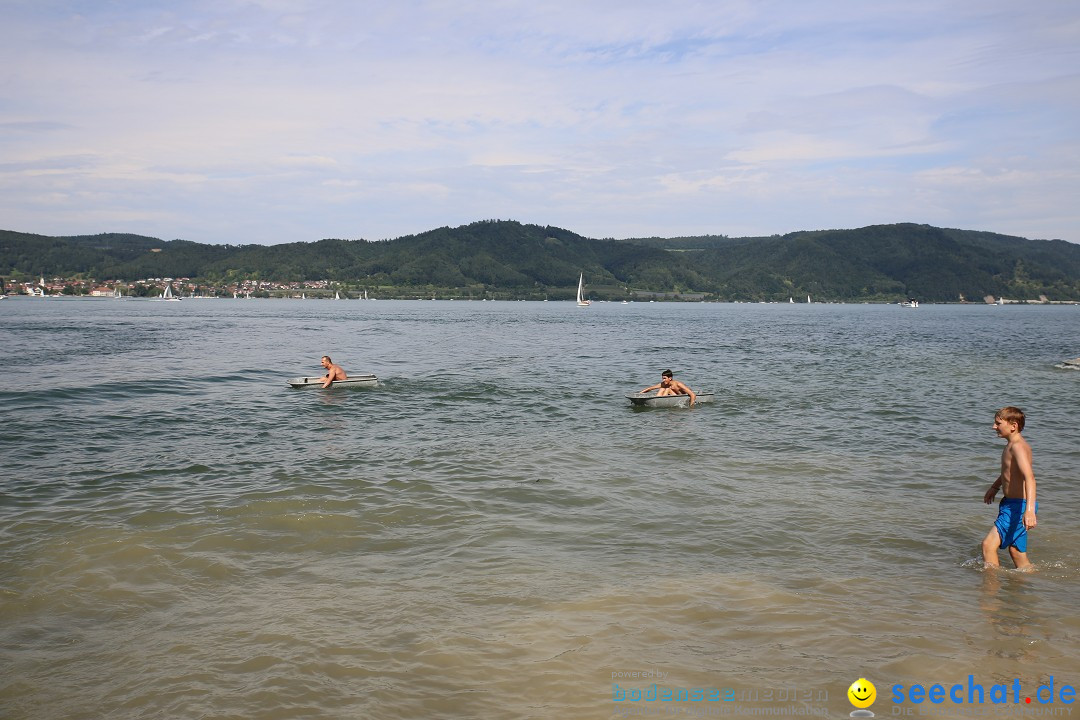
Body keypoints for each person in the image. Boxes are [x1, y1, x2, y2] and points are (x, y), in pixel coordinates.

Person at [981, 406, 1037, 570]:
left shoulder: (1018, 447)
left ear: (1013, 425)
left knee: (987, 546)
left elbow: (1030, 478)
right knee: (1017, 553)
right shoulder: (1011, 445)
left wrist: (1030, 511)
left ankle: (990, 589)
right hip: (1011, 503)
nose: (994, 427)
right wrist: (995, 487)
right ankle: (1028, 587)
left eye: (998, 423)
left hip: (1018, 507)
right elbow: (1009, 472)